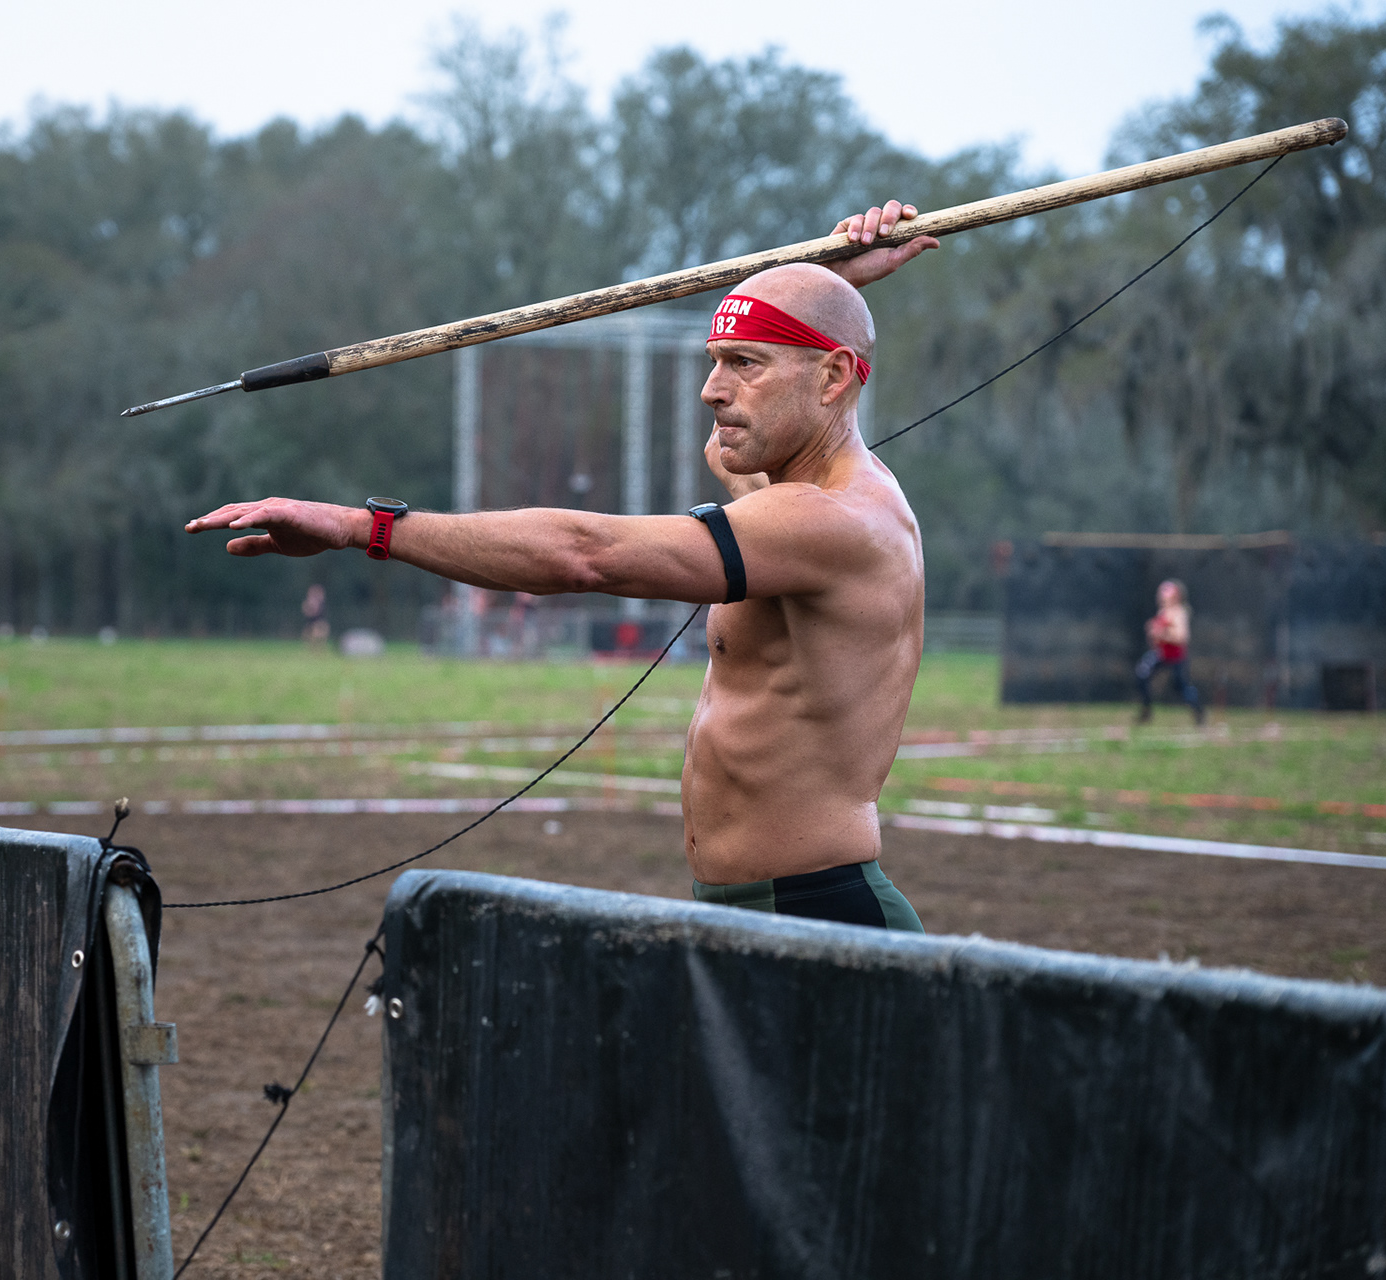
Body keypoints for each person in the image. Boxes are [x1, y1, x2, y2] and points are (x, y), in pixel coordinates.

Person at [187, 201, 940, 930]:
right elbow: (727, 446)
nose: (712, 389)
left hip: (820, 913)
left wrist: (361, 527)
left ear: (834, 378)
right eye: (715, 361)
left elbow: (585, 556)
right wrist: (824, 280)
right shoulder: (785, 485)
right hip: (747, 911)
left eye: (745, 363)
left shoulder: (834, 520)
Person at [1136, 578, 1204, 724]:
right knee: (1142, 674)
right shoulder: (1162, 612)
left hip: (1176, 656)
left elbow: (1181, 637)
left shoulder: (1179, 613)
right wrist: (1153, 633)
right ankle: (1146, 711)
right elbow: (1156, 640)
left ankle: (1199, 712)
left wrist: (1162, 634)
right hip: (1162, 654)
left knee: (1181, 687)